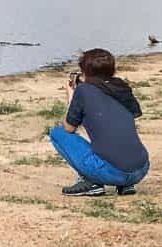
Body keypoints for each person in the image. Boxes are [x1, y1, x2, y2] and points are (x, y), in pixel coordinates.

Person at [51, 48, 150, 196]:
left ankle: (92, 183)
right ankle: (126, 185)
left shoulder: (83, 91)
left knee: (58, 133)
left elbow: (69, 128)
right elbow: (132, 113)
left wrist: (72, 96)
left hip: (113, 171)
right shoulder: (121, 87)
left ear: (85, 71)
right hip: (141, 169)